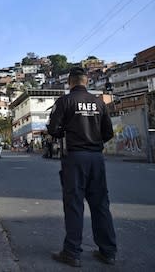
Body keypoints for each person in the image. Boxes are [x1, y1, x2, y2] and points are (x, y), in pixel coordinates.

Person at [48, 67, 117, 267]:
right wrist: (94, 141)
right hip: (96, 157)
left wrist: (65, 133)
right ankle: (108, 252)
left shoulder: (64, 102)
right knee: (101, 205)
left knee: (74, 204)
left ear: (70, 82)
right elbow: (108, 132)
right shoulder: (99, 103)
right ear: (86, 81)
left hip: (75, 158)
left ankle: (72, 252)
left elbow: (53, 129)